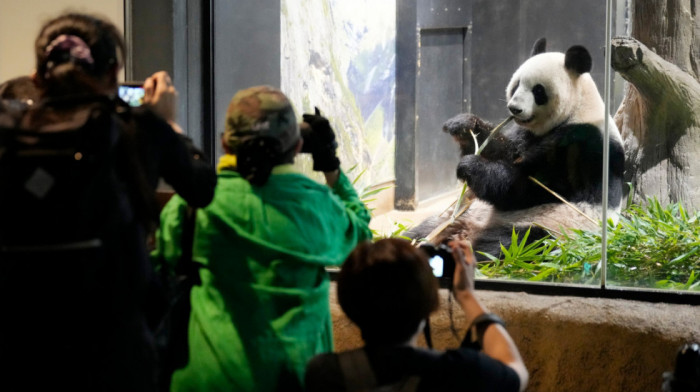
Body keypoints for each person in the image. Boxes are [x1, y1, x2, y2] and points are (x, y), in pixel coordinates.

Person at [0, 12, 215, 391]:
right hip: (115, 349)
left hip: (20, 346)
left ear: (37, 77)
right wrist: (168, 123)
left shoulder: (9, 133)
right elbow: (202, 189)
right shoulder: (136, 129)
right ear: (114, 72)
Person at [152, 85, 373, 391]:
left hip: (205, 381)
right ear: (297, 147)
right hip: (293, 380)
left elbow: (162, 264)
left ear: (225, 143)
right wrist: (330, 164)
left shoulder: (192, 206)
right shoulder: (316, 206)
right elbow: (361, 235)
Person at [305, 238, 529, 392]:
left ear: (347, 305)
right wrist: (466, 295)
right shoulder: (462, 372)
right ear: (430, 304)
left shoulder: (322, 374)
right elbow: (516, 371)